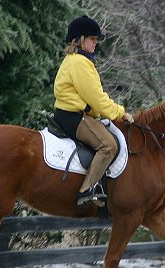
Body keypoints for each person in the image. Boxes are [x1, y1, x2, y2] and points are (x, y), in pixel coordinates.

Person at [53, 15, 134, 208]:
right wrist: (120, 113)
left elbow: (95, 100)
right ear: (80, 40)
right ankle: (86, 190)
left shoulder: (76, 60)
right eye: (92, 39)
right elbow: (97, 99)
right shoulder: (80, 63)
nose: (96, 43)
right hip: (74, 117)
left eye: (96, 40)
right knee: (109, 146)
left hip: (73, 114)